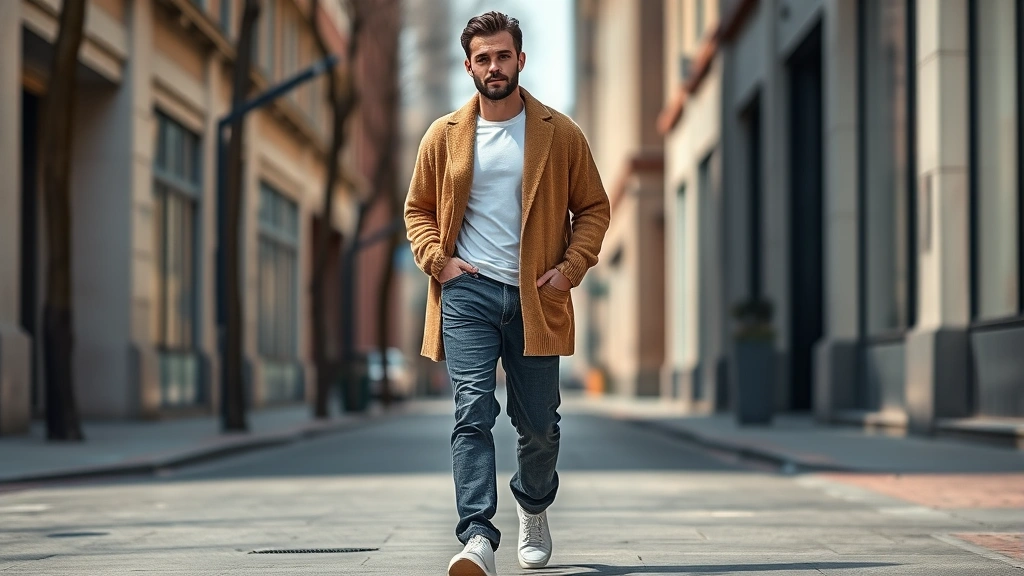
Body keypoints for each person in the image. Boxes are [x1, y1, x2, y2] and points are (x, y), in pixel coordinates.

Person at [404, 11, 610, 576]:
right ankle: (477, 537)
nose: (494, 66)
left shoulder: (558, 132)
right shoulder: (443, 136)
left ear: (520, 59)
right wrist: (438, 262)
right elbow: (417, 210)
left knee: (539, 423)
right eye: (483, 57)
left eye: (503, 55)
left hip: (535, 296)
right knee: (472, 411)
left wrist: (570, 268)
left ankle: (534, 507)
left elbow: (593, 207)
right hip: (467, 293)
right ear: (468, 65)